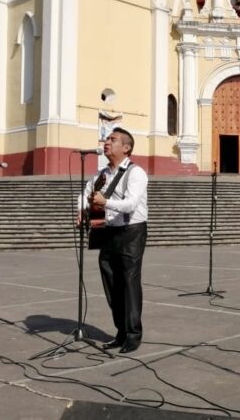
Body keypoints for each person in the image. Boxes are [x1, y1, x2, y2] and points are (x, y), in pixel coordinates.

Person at [80, 127, 148, 353]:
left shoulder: (136, 173)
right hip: (108, 231)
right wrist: (82, 209)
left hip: (131, 232)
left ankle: (133, 334)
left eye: (113, 139)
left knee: (128, 283)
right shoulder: (102, 174)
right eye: (107, 138)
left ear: (126, 148)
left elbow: (131, 204)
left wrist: (104, 202)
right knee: (111, 284)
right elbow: (86, 192)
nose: (107, 142)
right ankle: (120, 331)